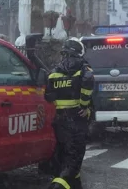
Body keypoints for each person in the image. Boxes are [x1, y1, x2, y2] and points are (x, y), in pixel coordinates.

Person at [43, 37, 95, 189]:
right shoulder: (83, 67)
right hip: (76, 119)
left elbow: (48, 96)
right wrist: (84, 105)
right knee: (73, 162)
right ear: (79, 52)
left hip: (60, 120)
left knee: (66, 156)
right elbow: (88, 80)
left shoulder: (54, 71)